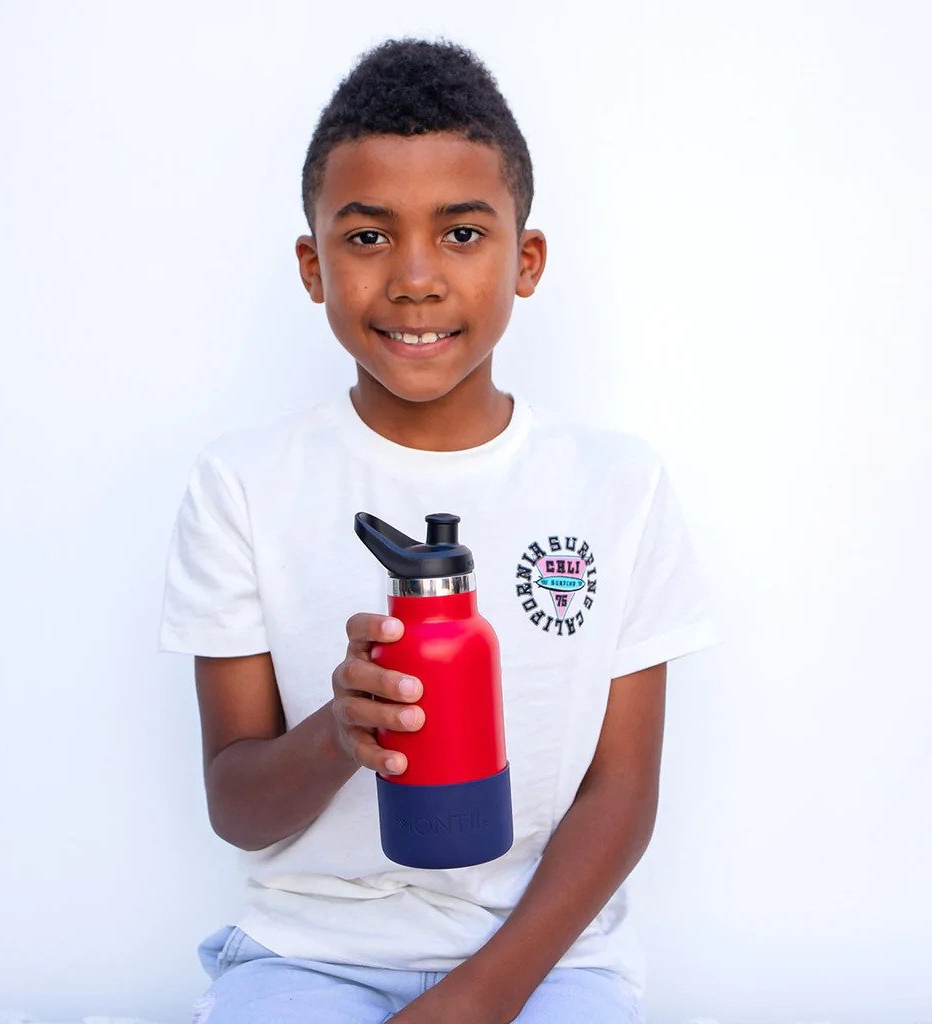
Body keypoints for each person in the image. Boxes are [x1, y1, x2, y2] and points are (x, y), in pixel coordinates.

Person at [158, 36, 721, 1024]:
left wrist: (479, 998)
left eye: (461, 233)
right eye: (367, 237)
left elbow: (622, 795)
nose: (415, 278)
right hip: (310, 955)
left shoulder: (615, 486)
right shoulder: (242, 484)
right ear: (312, 265)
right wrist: (339, 732)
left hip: (550, 963)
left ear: (526, 259)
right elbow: (237, 808)